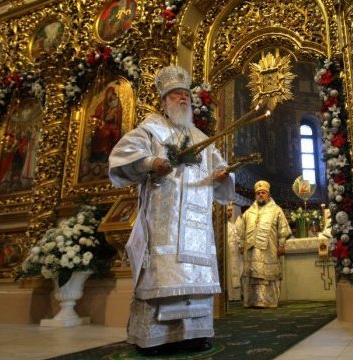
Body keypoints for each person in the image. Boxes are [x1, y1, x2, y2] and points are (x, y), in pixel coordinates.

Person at [108, 65, 234, 355]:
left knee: (195, 278)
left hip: (196, 226)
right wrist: (152, 163)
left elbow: (219, 168)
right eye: (175, 95)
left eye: (186, 95)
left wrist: (224, 175)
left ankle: (194, 334)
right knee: (163, 276)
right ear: (164, 102)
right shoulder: (151, 129)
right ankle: (156, 338)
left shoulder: (201, 137)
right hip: (164, 223)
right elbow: (122, 156)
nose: (182, 99)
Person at [237, 180, 292, 308]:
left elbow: (282, 229)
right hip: (251, 250)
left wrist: (282, 245)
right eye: (258, 193)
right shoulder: (249, 212)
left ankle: (268, 301)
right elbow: (240, 230)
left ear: (268, 194)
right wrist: (241, 245)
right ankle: (252, 301)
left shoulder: (276, 210)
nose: (260, 195)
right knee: (252, 275)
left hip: (270, 250)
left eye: (263, 193)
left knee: (267, 275)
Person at [90, 86, 122, 163]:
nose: (110, 96)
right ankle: (99, 152)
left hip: (112, 125)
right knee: (105, 133)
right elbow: (97, 116)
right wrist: (99, 120)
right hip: (103, 125)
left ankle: (109, 153)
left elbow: (118, 116)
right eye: (109, 94)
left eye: (112, 94)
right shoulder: (102, 105)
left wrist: (114, 115)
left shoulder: (117, 105)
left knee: (116, 131)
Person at [226, 205, 243, 301]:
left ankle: (236, 296)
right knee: (228, 274)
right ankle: (229, 296)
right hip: (227, 254)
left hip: (235, 253)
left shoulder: (232, 225)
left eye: (231, 211)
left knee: (237, 271)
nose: (230, 213)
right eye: (228, 211)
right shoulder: (222, 226)